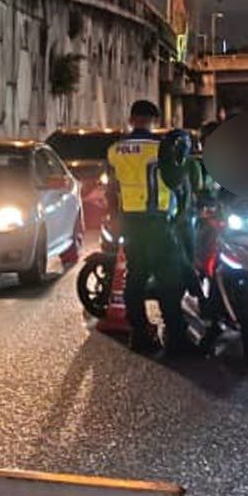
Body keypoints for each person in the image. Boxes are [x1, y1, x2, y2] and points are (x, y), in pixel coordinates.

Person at [105, 99, 192, 355]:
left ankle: (140, 335)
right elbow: (177, 183)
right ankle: (176, 338)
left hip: (130, 223)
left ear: (131, 119)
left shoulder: (114, 150)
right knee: (169, 280)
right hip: (158, 223)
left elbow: (111, 189)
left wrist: (115, 217)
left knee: (136, 278)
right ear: (154, 121)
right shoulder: (159, 148)